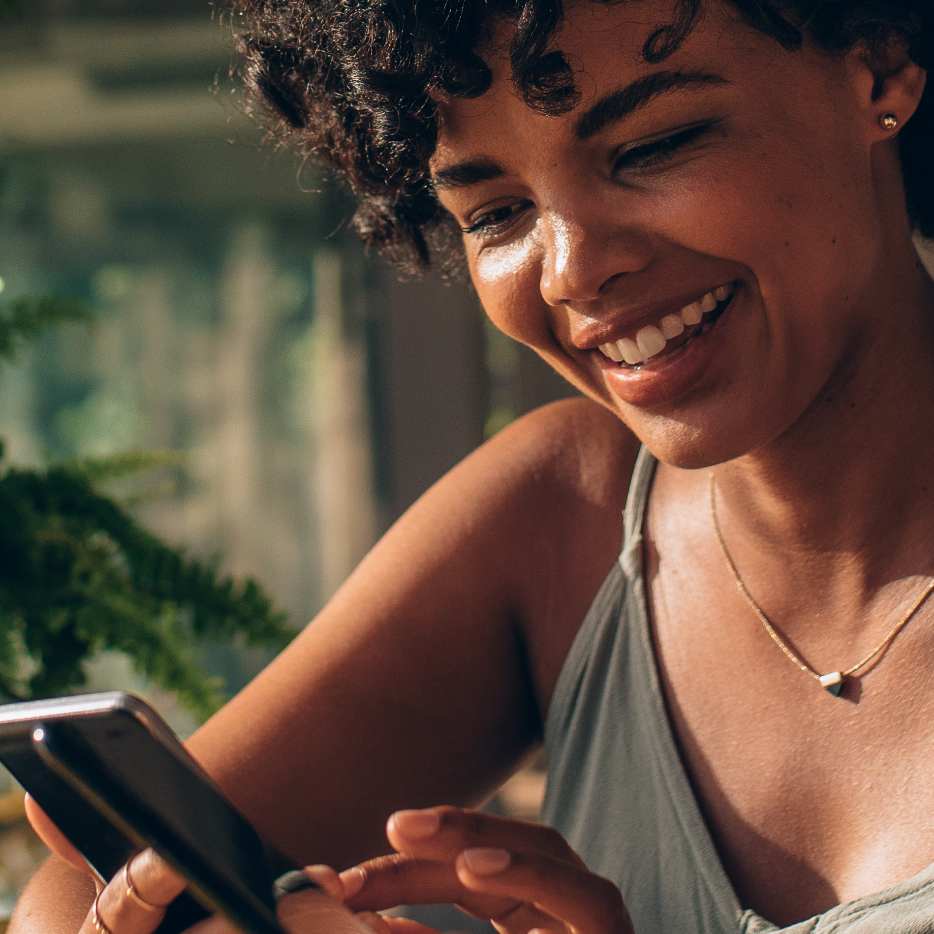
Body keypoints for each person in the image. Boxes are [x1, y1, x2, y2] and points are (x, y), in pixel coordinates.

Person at [10, 0, 934, 931]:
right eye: (496, 212)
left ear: (882, 66)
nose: (572, 271)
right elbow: (88, 884)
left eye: (655, 146)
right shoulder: (563, 515)